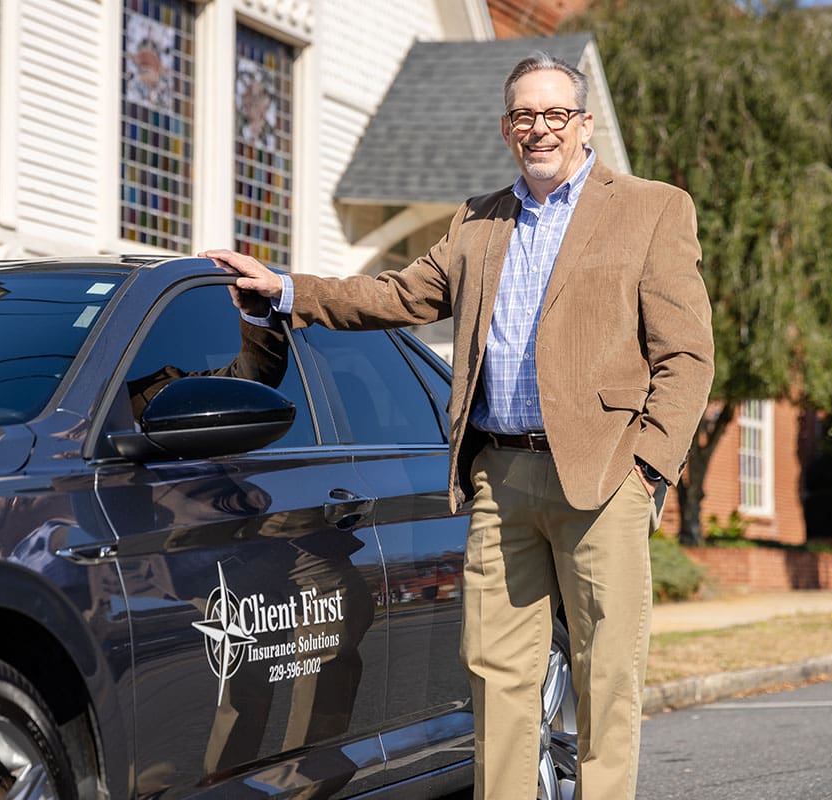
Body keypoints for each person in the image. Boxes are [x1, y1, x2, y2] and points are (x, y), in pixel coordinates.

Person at [201, 50, 714, 800]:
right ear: (507, 128)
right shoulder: (478, 220)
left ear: (583, 122)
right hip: (500, 477)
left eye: (554, 114)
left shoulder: (651, 208)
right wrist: (286, 290)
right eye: (524, 116)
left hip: (604, 477)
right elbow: (394, 295)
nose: (539, 129)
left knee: (607, 675)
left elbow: (687, 356)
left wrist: (648, 468)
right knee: (496, 674)